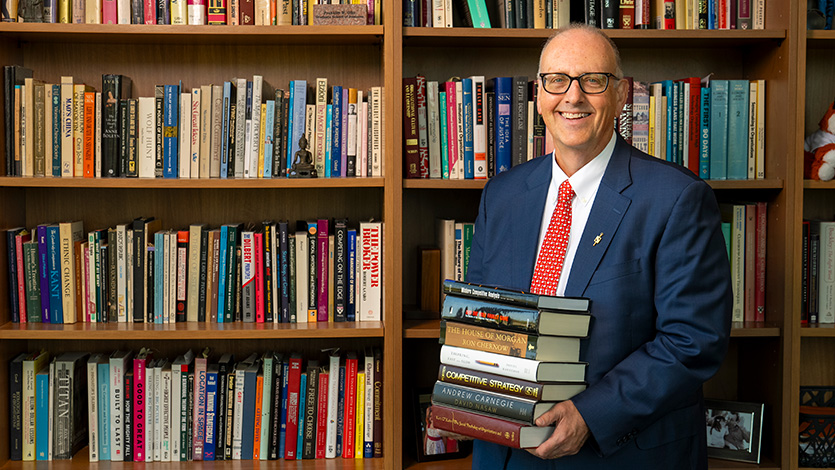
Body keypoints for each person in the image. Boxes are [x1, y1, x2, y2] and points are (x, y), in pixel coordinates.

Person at [463, 24, 733, 469]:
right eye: (557, 80)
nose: (572, 97)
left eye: (593, 80)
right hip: (506, 452)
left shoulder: (677, 197)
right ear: (538, 94)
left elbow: (693, 340)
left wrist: (590, 415)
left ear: (622, 93)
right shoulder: (503, 194)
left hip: (619, 452)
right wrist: (465, 392)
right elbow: (482, 314)